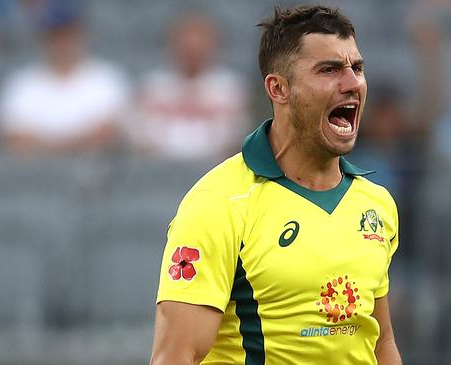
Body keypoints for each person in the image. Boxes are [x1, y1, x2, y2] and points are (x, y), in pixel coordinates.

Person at [150, 5, 401, 365]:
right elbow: (175, 356)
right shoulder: (219, 203)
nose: (352, 84)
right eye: (329, 70)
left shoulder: (376, 204)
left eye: (357, 68)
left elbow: (381, 341)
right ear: (279, 88)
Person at [0, 0, 129, 155]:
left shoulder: (108, 79)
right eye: (55, 33)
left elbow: (110, 134)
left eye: (68, 32)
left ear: (82, 32)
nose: (62, 41)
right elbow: (14, 141)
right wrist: (75, 144)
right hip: (36, 176)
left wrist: (47, 145)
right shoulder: (21, 84)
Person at [131, 13, 249, 160]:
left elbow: (236, 134)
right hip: (159, 168)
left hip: (215, 167)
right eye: (186, 43)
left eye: (200, 42)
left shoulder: (230, 87)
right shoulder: (153, 85)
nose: (193, 49)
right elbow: (140, 135)